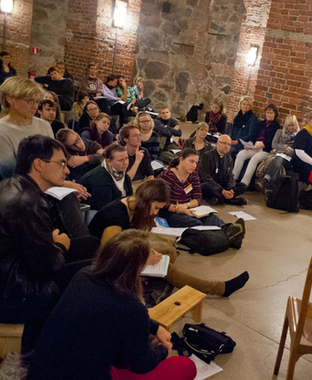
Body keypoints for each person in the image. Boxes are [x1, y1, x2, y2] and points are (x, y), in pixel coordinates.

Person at [28, 230, 198, 380]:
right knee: (185, 366)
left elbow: (118, 315)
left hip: (39, 370)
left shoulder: (84, 275)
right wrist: (163, 350)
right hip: (85, 373)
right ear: (137, 267)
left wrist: (155, 327)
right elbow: (143, 365)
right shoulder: (131, 305)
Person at [0, 135, 100, 355]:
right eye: (62, 163)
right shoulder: (26, 203)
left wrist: (53, 243)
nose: (66, 171)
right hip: (14, 293)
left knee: (90, 244)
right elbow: (47, 266)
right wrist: (60, 246)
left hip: (15, 270)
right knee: (94, 274)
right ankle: (68, 349)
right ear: (38, 164)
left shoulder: (13, 185)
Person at [88, 180, 249, 294]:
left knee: (169, 252)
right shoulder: (115, 216)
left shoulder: (135, 207)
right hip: (104, 264)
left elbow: (136, 240)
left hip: (123, 252)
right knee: (167, 268)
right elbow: (108, 256)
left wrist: (149, 252)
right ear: (147, 201)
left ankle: (154, 278)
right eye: (156, 207)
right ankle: (218, 288)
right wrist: (143, 258)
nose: (156, 213)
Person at [158, 149, 227, 227]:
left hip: (187, 208)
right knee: (195, 223)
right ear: (181, 159)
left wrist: (186, 205)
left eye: (196, 163)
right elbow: (160, 202)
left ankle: (228, 230)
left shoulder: (193, 175)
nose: (194, 166)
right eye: (191, 161)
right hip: (170, 211)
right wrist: (181, 209)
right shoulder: (168, 175)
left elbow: (198, 199)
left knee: (212, 218)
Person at [0, 77, 52, 180]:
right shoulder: (2, 131)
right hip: (19, 190)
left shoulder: (44, 125)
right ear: (10, 99)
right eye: (29, 101)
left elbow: (53, 161)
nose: (35, 107)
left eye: (37, 102)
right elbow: (11, 174)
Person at [233, 104, 280, 188]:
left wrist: (255, 147)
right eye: (267, 112)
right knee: (241, 154)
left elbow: (269, 141)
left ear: (275, 114)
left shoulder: (276, 126)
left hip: (265, 149)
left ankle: (244, 183)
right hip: (255, 146)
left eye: (271, 113)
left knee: (254, 159)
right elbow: (254, 136)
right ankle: (233, 179)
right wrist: (249, 143)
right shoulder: (261, 123)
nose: (268, 115)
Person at [199, 134, 247, 206]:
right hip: (212, 186)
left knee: (243, 186)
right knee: (205, 187)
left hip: (223, 186)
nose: (226, 146)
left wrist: (230, 189)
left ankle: (221, 198)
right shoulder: (207, 156)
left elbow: (230, 176)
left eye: (229, 144)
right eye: (224, 143)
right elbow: (205, 177)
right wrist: (222, 190)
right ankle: (230, 200)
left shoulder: (229, 159)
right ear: (218, 143)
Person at [80, 144, 132, 211]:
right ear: (109, 161)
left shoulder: (122, 172)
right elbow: (105, 208)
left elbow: (130, 198)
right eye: (120, 160)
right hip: (93, 211)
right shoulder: (100, 177)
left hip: (114, 209)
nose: (125, 163)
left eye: (126, 158)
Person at [256, 114, 300, 193]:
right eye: (288, 125)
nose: (290, 127)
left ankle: (265, 180)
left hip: (288, 159)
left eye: (292, 125)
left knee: (279, 159)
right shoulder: (279, 132)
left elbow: (295, 152)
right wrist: (286, 148)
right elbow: (274, 144)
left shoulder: (298, 137)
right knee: (277, 160)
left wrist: (281, 150)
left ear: (296, 125)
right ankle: (269, 189)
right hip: (275, 154)